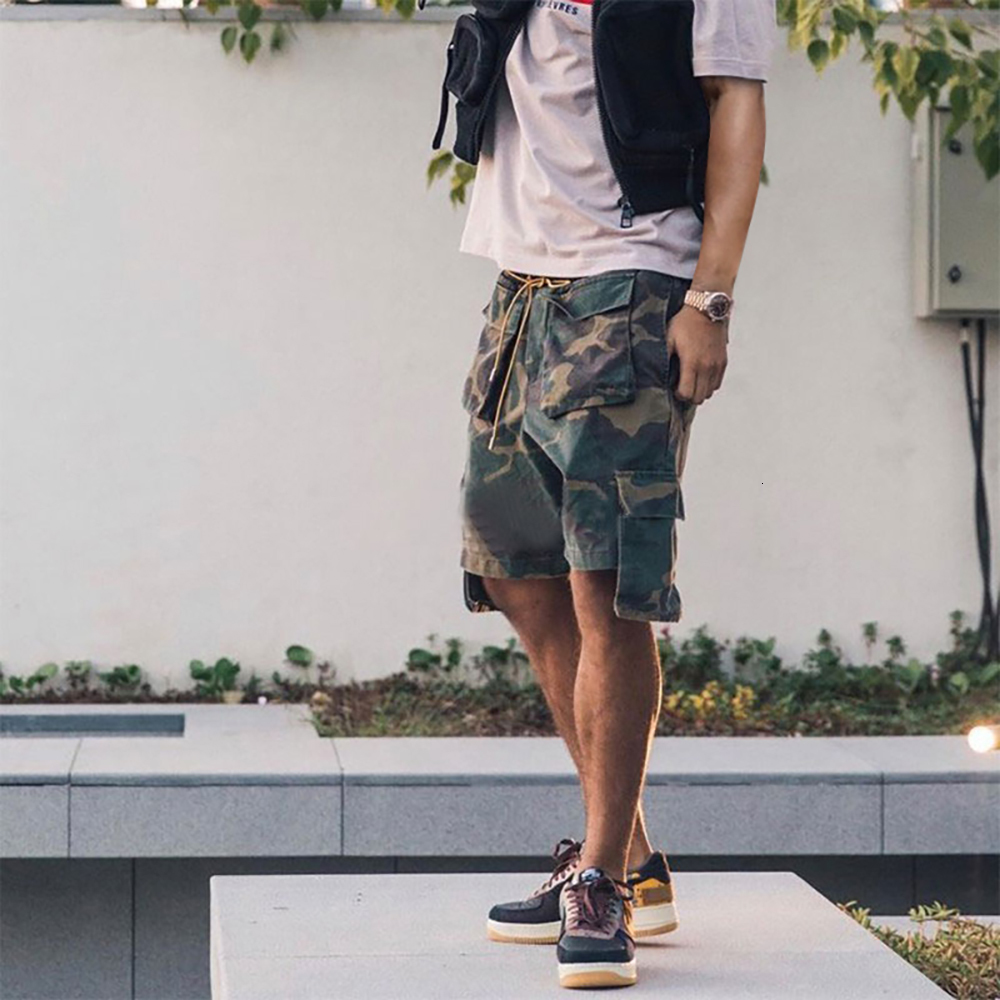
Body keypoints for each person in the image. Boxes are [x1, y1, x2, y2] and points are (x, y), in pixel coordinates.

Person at [451, 0, 776, 989]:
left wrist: (709, 298)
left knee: (608, 589)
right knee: (515, 572)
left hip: (630, 288)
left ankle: (599, 880)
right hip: (522, 288)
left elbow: (735, 103)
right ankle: (630, 854)